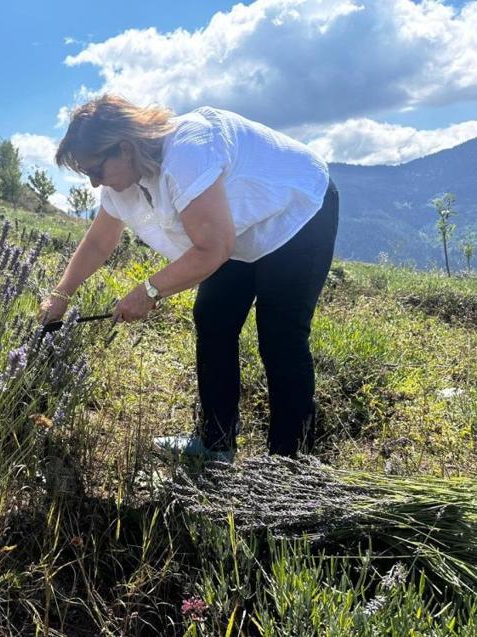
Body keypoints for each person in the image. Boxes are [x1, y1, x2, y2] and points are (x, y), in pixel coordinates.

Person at [39, 95, 339, 460]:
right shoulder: (124, 182)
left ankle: (289, 466)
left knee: (280, 336)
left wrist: (148, 291)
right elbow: (101, 240)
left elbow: (212, 248)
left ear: (125, 148)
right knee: (212, 319)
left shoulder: (187, 151)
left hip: (297, 213)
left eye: (96, 171)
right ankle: (216, 444)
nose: (93, 183)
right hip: (232, 232)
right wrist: (61, 294)